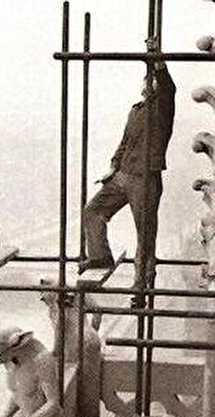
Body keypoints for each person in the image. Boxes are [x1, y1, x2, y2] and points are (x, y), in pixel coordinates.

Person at [83, 37, 175, 289]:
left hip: (145, 177)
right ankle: (99, 257)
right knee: (93, 211)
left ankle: (142, 284)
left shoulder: (163, 109)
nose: (149, 83)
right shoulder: (136, 110)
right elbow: (124, 142)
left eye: (152, 79)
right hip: (123, 174)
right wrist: (112, 168)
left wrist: (157, 59)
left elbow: (168, 87)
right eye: (147, 79)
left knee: (145, 234)